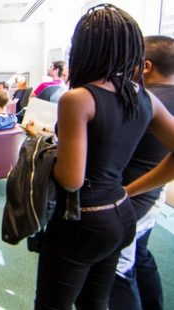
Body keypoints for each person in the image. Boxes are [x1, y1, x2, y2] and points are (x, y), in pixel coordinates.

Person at [34, 5, 174, 309]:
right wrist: (131, 190)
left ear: (83, 49)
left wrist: (42, 155)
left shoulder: (78, 99)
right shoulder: (144, 96)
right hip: (121, 213)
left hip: (82, 219)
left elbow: (71, 179)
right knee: (95, 302)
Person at [109, 35, 174, 310]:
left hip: (132, 199)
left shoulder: (144, 102)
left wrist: (129, 190)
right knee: (141, 254)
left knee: (118, 271)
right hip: (153, 195)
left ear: (145, 66)